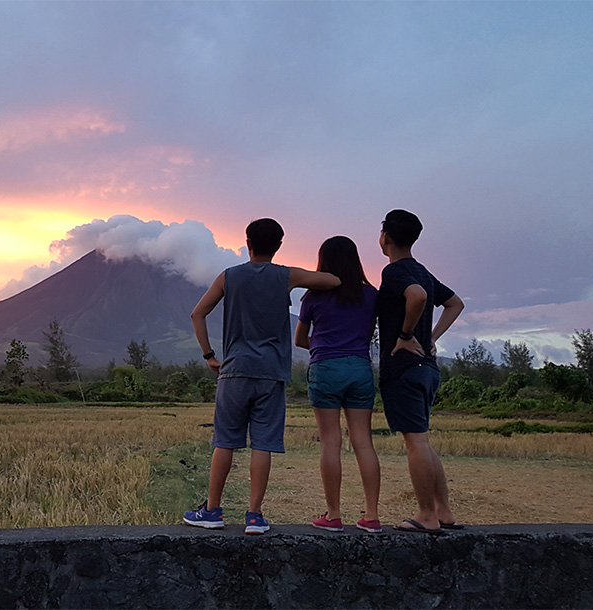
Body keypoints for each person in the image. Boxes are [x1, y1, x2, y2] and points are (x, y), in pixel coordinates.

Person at [184, 218, 340, 534]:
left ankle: (212, 510)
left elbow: (197, 313)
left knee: (225, 441)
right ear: (279, 245)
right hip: (271, 372)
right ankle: (254, 515)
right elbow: (333, 281)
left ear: (247, 241)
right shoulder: (286, 276)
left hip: (234, 370)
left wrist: (209, 356)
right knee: (263, 444)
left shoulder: (228, 277)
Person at [376, 209, 465, 535]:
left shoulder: (396, 272)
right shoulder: (422, 270)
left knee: (415, 443)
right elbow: (455, 303)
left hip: (405, 369)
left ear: (385, 237)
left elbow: (417, 296)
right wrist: (431, 338)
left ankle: (426, 514)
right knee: (423, 442)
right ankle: (443, 511)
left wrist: (406, 335)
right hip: (427, 368)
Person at [293, 236, 382, 534]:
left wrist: (322, 346)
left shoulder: (314, 296)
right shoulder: (371, 295)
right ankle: (371, 515)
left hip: (326, 368)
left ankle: (333, 515)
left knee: (331, 442)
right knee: (363, 441)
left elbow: (299, 339)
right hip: (359, 367)